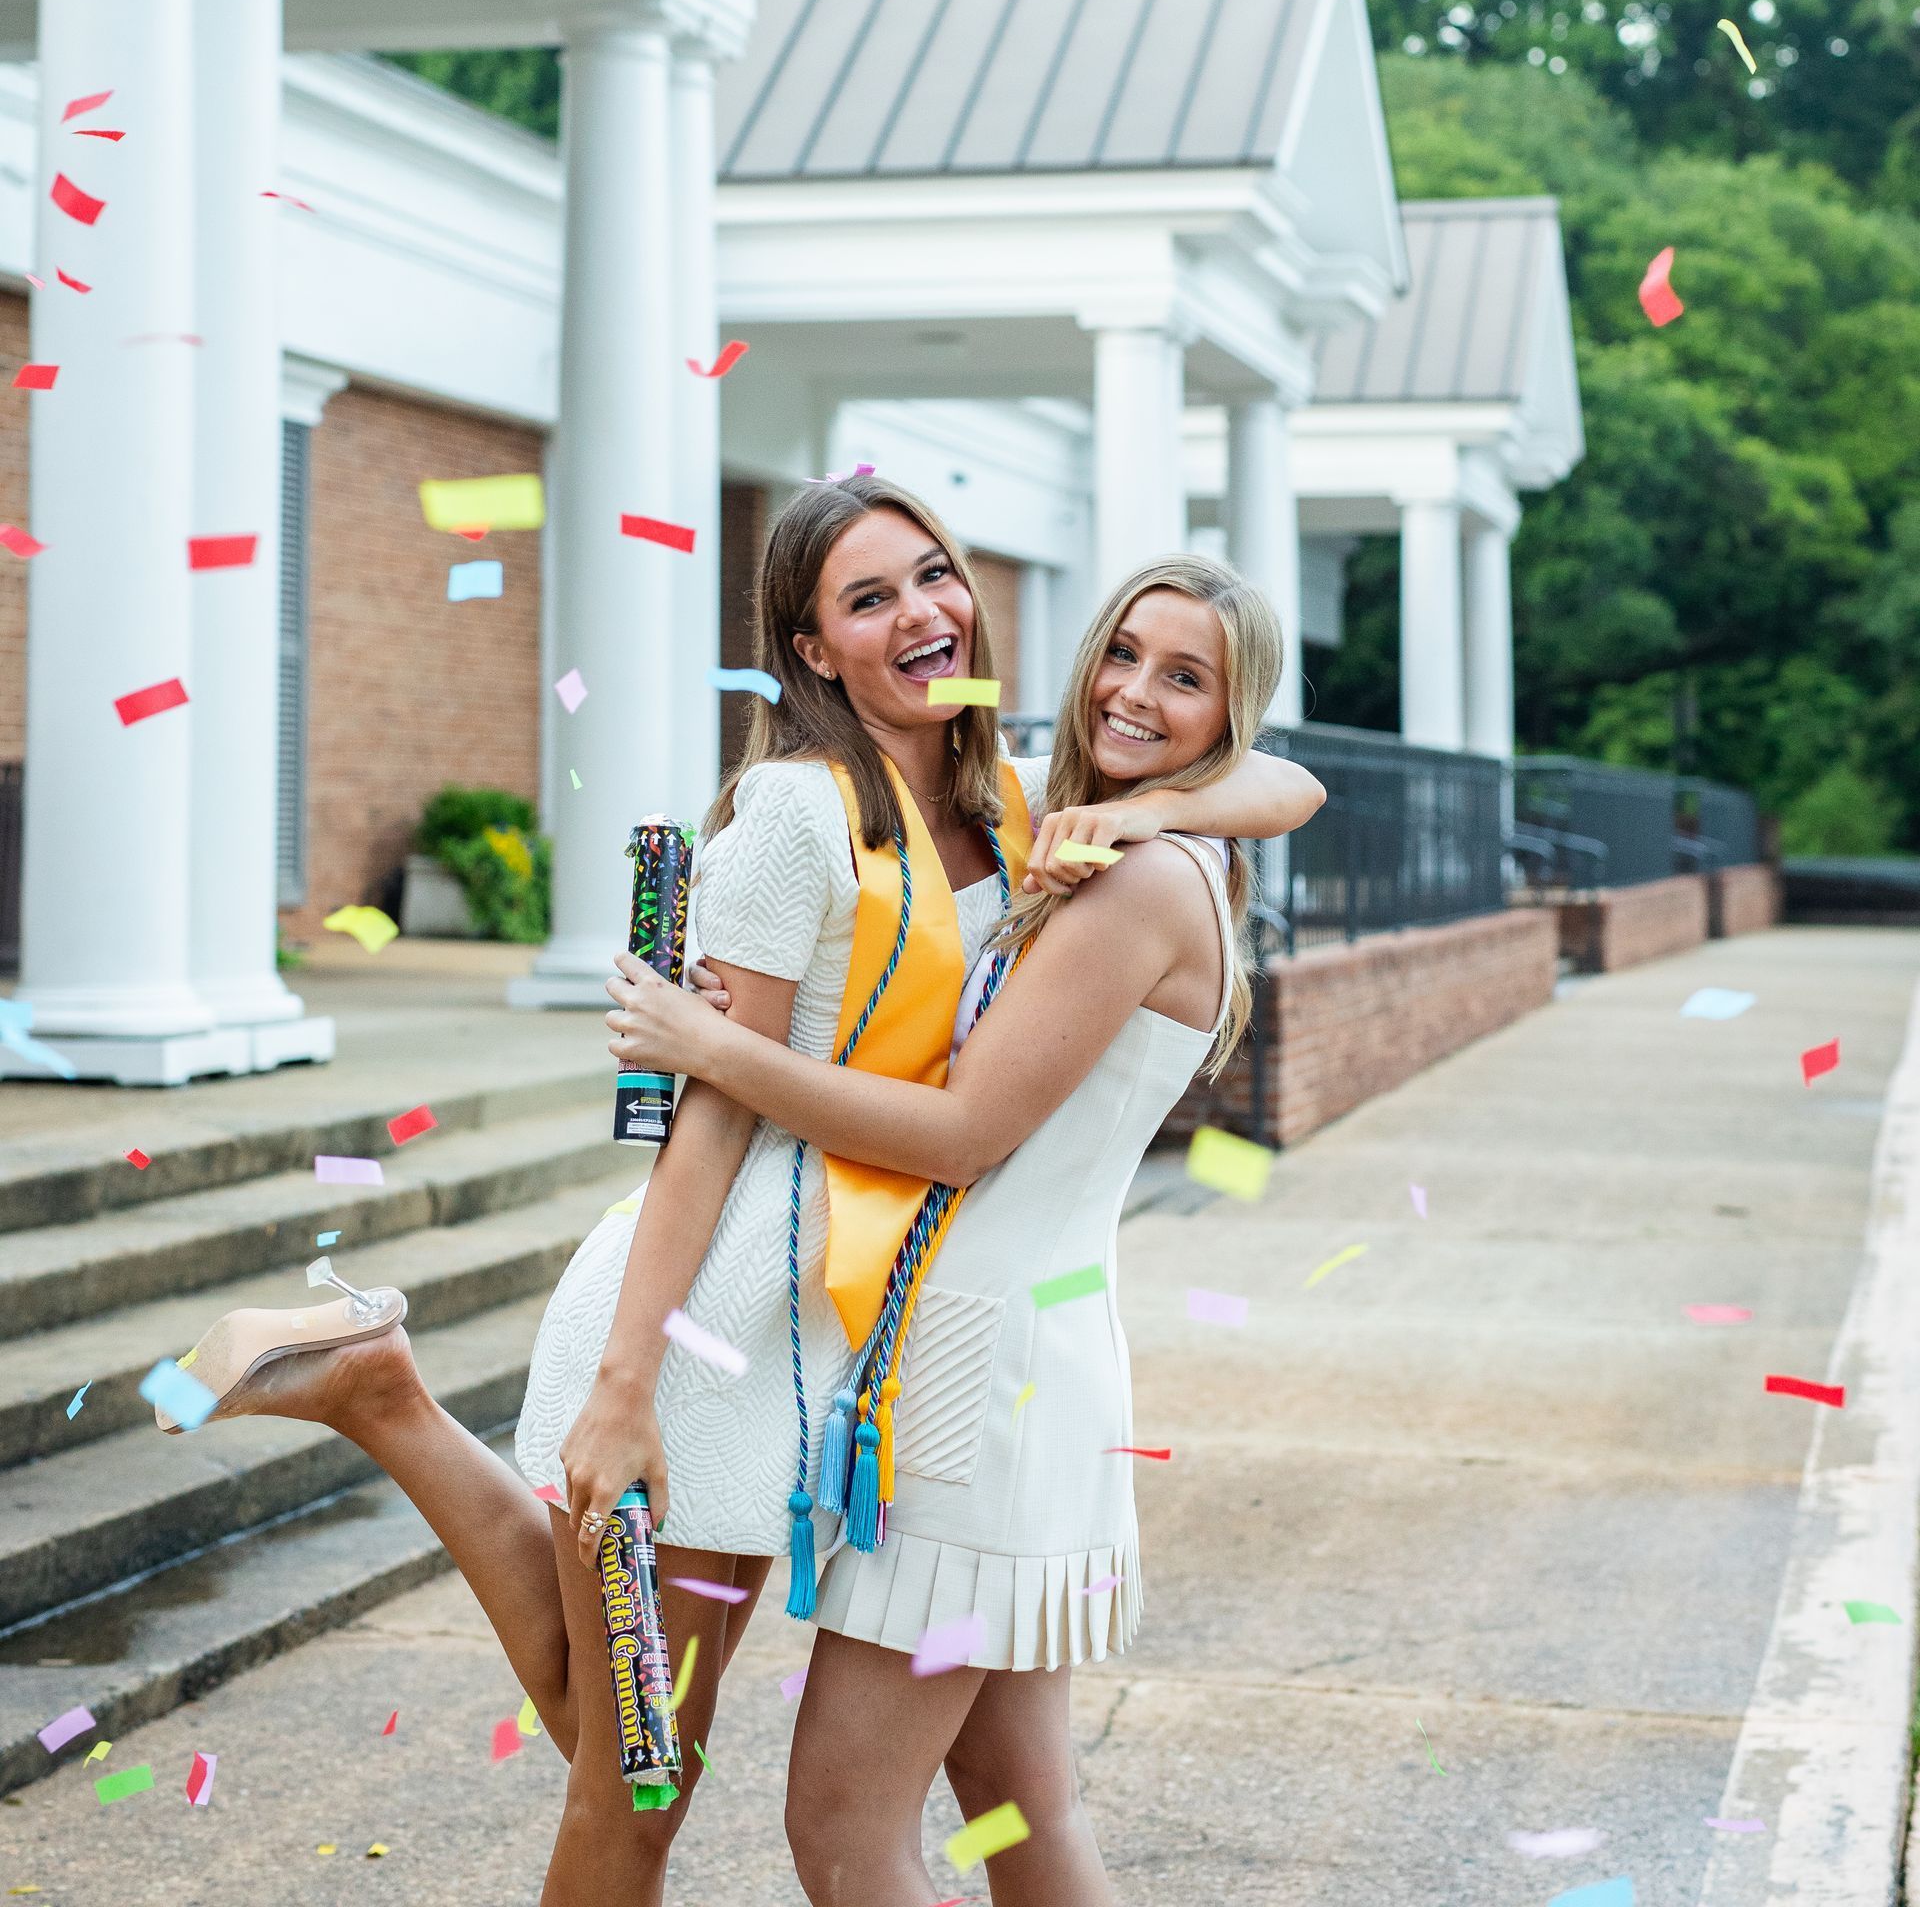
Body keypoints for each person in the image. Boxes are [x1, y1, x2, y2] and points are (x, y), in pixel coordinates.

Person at [161, 479, 1315, 1907]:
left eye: (935, 578)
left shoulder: (1011, 800)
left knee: (634, 1737)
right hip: (710, 1323)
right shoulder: (788, 809)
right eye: (868, 598)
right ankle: (384, 1396)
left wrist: (1187, 789)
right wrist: (629, 1376)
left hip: (835, 1340)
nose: (922, 615)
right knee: (633, 1775)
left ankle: (382, 1392)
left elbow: (1278, 786)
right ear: (814, 649)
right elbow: (702, 1123)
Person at [602, 552, 1319, 1905]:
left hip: (975, 1397)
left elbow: (955, 1137)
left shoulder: (1141, 881)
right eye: (1126, 654)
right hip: (1016, 1365)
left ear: (1233, 709)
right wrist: (1166, 791)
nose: (1137, 693)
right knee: (1021, 1812)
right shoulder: (1097, 830)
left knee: (844, 1825)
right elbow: (1290, 787)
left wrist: (709, 1043)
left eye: (1188, 680)